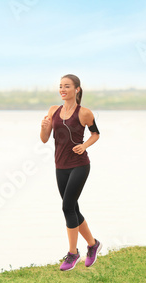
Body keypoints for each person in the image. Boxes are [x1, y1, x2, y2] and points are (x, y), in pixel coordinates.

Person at [40, 74, 102, 271]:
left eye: (67, 86)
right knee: (73, 209)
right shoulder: (53, 111)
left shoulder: (84, 113)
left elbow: (95, 133)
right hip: (60, 166)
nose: (62, 90)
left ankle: (73, 253)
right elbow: (44, 139)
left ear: (77, 89)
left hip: (79, 165)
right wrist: (44, 128)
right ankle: (93, 245)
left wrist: (84, 146)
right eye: (60, 86)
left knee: (67, 207)